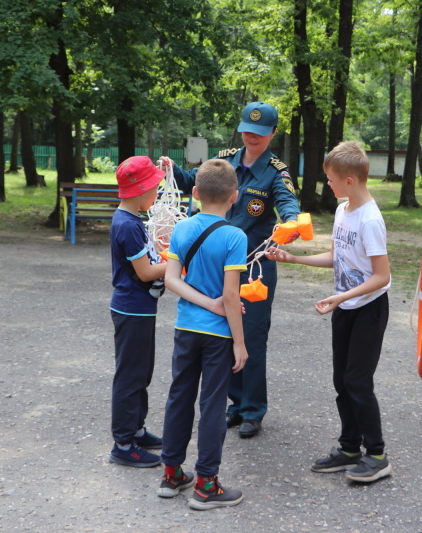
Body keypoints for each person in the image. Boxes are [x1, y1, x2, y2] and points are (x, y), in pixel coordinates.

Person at [165, 101, 300, 439]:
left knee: (251, 335)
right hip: (216, 261)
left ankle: (252, 410)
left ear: (272, 134)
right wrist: (170, 170)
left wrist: (293, 222)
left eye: (259, 133)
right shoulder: (225, 159)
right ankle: (234, 403)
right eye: (246, 131)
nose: (251, 137)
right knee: (224, 333)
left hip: (253, 266)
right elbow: (193, 181)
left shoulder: (276, 169)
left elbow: (287, 203)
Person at [267, 141, 392, 483]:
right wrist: (293, 258)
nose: (328, 186)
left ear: (350, 181)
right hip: (346, 306)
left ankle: (377, 455)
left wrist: (340, 297)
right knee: (342, 380)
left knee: (357, 381)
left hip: (368, 309)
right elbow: (338, 258)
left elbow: (382, 276)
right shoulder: (342, 211)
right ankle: (350, 448)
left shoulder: (370, 220)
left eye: (331, 180)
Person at [158, 159, 249, 510]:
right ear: (235, 197)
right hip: (218, 336)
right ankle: (207, 484)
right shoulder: (235, 236)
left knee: (179, 396)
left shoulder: (182, 229)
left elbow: (171, 280)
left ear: (194, 193)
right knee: (212, 404)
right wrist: (239, 343)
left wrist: (206, 304)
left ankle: (171, 473)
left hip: (185, 329)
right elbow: (230, 297)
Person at [107, 156, 168, 467]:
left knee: (142, 371)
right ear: (142, 190)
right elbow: (145, 273)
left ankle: (137, 429)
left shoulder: (134, 221)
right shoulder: (128, 226)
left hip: (141, 309)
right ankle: (123, 443)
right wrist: (178, 263)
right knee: (131, 376)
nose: (157, 192)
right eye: (155, 187)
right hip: (132, 309)